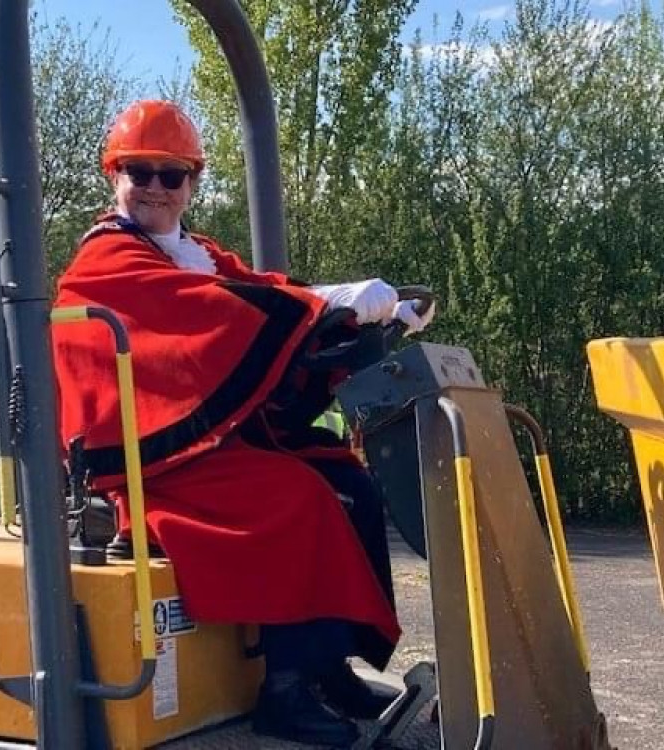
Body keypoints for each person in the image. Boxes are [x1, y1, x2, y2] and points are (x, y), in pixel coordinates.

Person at [51, 100, 435, 747]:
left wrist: (352, 306)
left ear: (191, 183)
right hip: (145, 468)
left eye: (170, 176)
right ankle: (283, 693)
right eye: (138, 172)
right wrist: (328, 305)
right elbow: (224, 314)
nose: (154, 188)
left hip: (195, 452)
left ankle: (324, 667)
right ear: (113, 176)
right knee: (295, 496)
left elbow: (259, 290)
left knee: (346, 480)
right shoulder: (109, 262)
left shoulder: (190, 253)